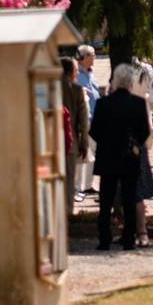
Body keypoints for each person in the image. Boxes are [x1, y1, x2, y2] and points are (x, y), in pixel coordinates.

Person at [90, 63, 150, 251]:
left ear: (115, 81)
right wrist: (133, 144)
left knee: (106, 200)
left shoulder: (102, 103)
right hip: (129, 157)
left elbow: (94, 131)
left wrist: (107, 143)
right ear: (130, 82)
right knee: (129, 198)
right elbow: (145, 131)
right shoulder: (138, 104)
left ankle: (104, 238)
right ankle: (128, 238)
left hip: (108, 157)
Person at [133, 63, 153, 245]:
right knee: (137, 191)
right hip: (137, 148)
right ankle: (140, 231)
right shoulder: (139, 102)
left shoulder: (145, 69)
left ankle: (137, 230)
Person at [61, 57, 89, 202]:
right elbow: (83, 121)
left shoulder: (50, 87)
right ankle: (68, 216)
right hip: (71, 143)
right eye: (76, 70)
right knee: (69, 181)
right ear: (70, 71)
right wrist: (84, 144)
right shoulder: (77, 90)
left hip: (50, 143)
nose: (77, 73)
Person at [74, 44, 100, 199]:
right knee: (81, 152)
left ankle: (88, 184)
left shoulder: (91, 73)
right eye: (91, 54)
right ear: (82, 57)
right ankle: (78, 187)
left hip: (95, 118)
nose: (94, 57)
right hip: (83, 119)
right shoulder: (76, 74)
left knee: (93, 152)